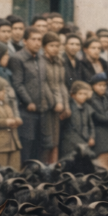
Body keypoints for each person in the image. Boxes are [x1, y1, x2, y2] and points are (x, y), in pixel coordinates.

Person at [9, 27, 47, 162]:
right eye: (33, 39)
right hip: (25, 110)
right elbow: (17, 83)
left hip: (41, 110)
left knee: (38, 146)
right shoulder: (17, 58)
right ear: (24, 41)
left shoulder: (41, 59)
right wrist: (28, 101)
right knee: (26, 145)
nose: (37, 43)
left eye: (39, 40)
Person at [40, 32, 69, 164]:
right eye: (51, 45)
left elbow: (61, 84)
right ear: (44, 46)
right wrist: (55, 103)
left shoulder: (59, 62)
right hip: (46, 106)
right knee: (46, 142)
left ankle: (53, 169)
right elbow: (43, 84)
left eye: (57, 46)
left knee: (55, 141)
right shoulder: (40, 62)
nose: (55, 49)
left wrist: (65, 105)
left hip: (58, 106)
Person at [61, 80, 95, 158]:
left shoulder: (87, 108)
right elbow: (69, 130)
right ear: (73, 95)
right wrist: (81, 143)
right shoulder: (69, 107)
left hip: (84, 140)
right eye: (80, 94)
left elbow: (91, 125)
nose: (83, 96)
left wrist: (92, 137)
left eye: (85, 94)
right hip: (70, 142)